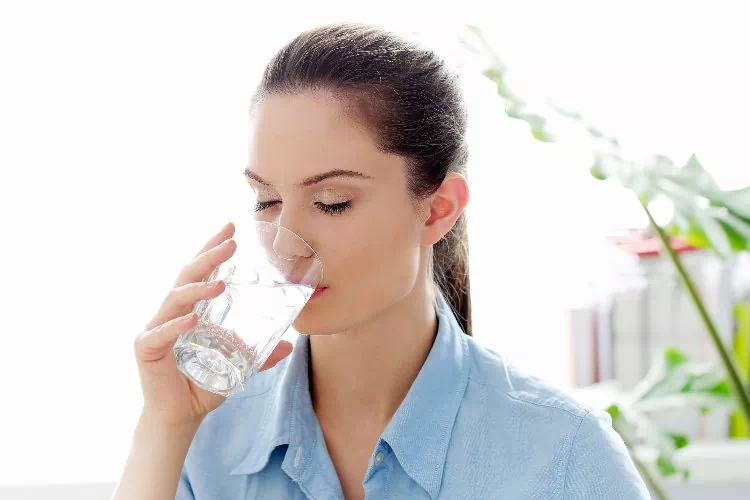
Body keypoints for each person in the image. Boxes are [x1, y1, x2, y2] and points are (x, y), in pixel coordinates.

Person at [112, 22, 650, 500]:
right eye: (266, 202)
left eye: (332, 203)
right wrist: (165, 425)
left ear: (438, 209)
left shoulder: (561, 456)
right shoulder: (207, 433)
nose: (284, 243)